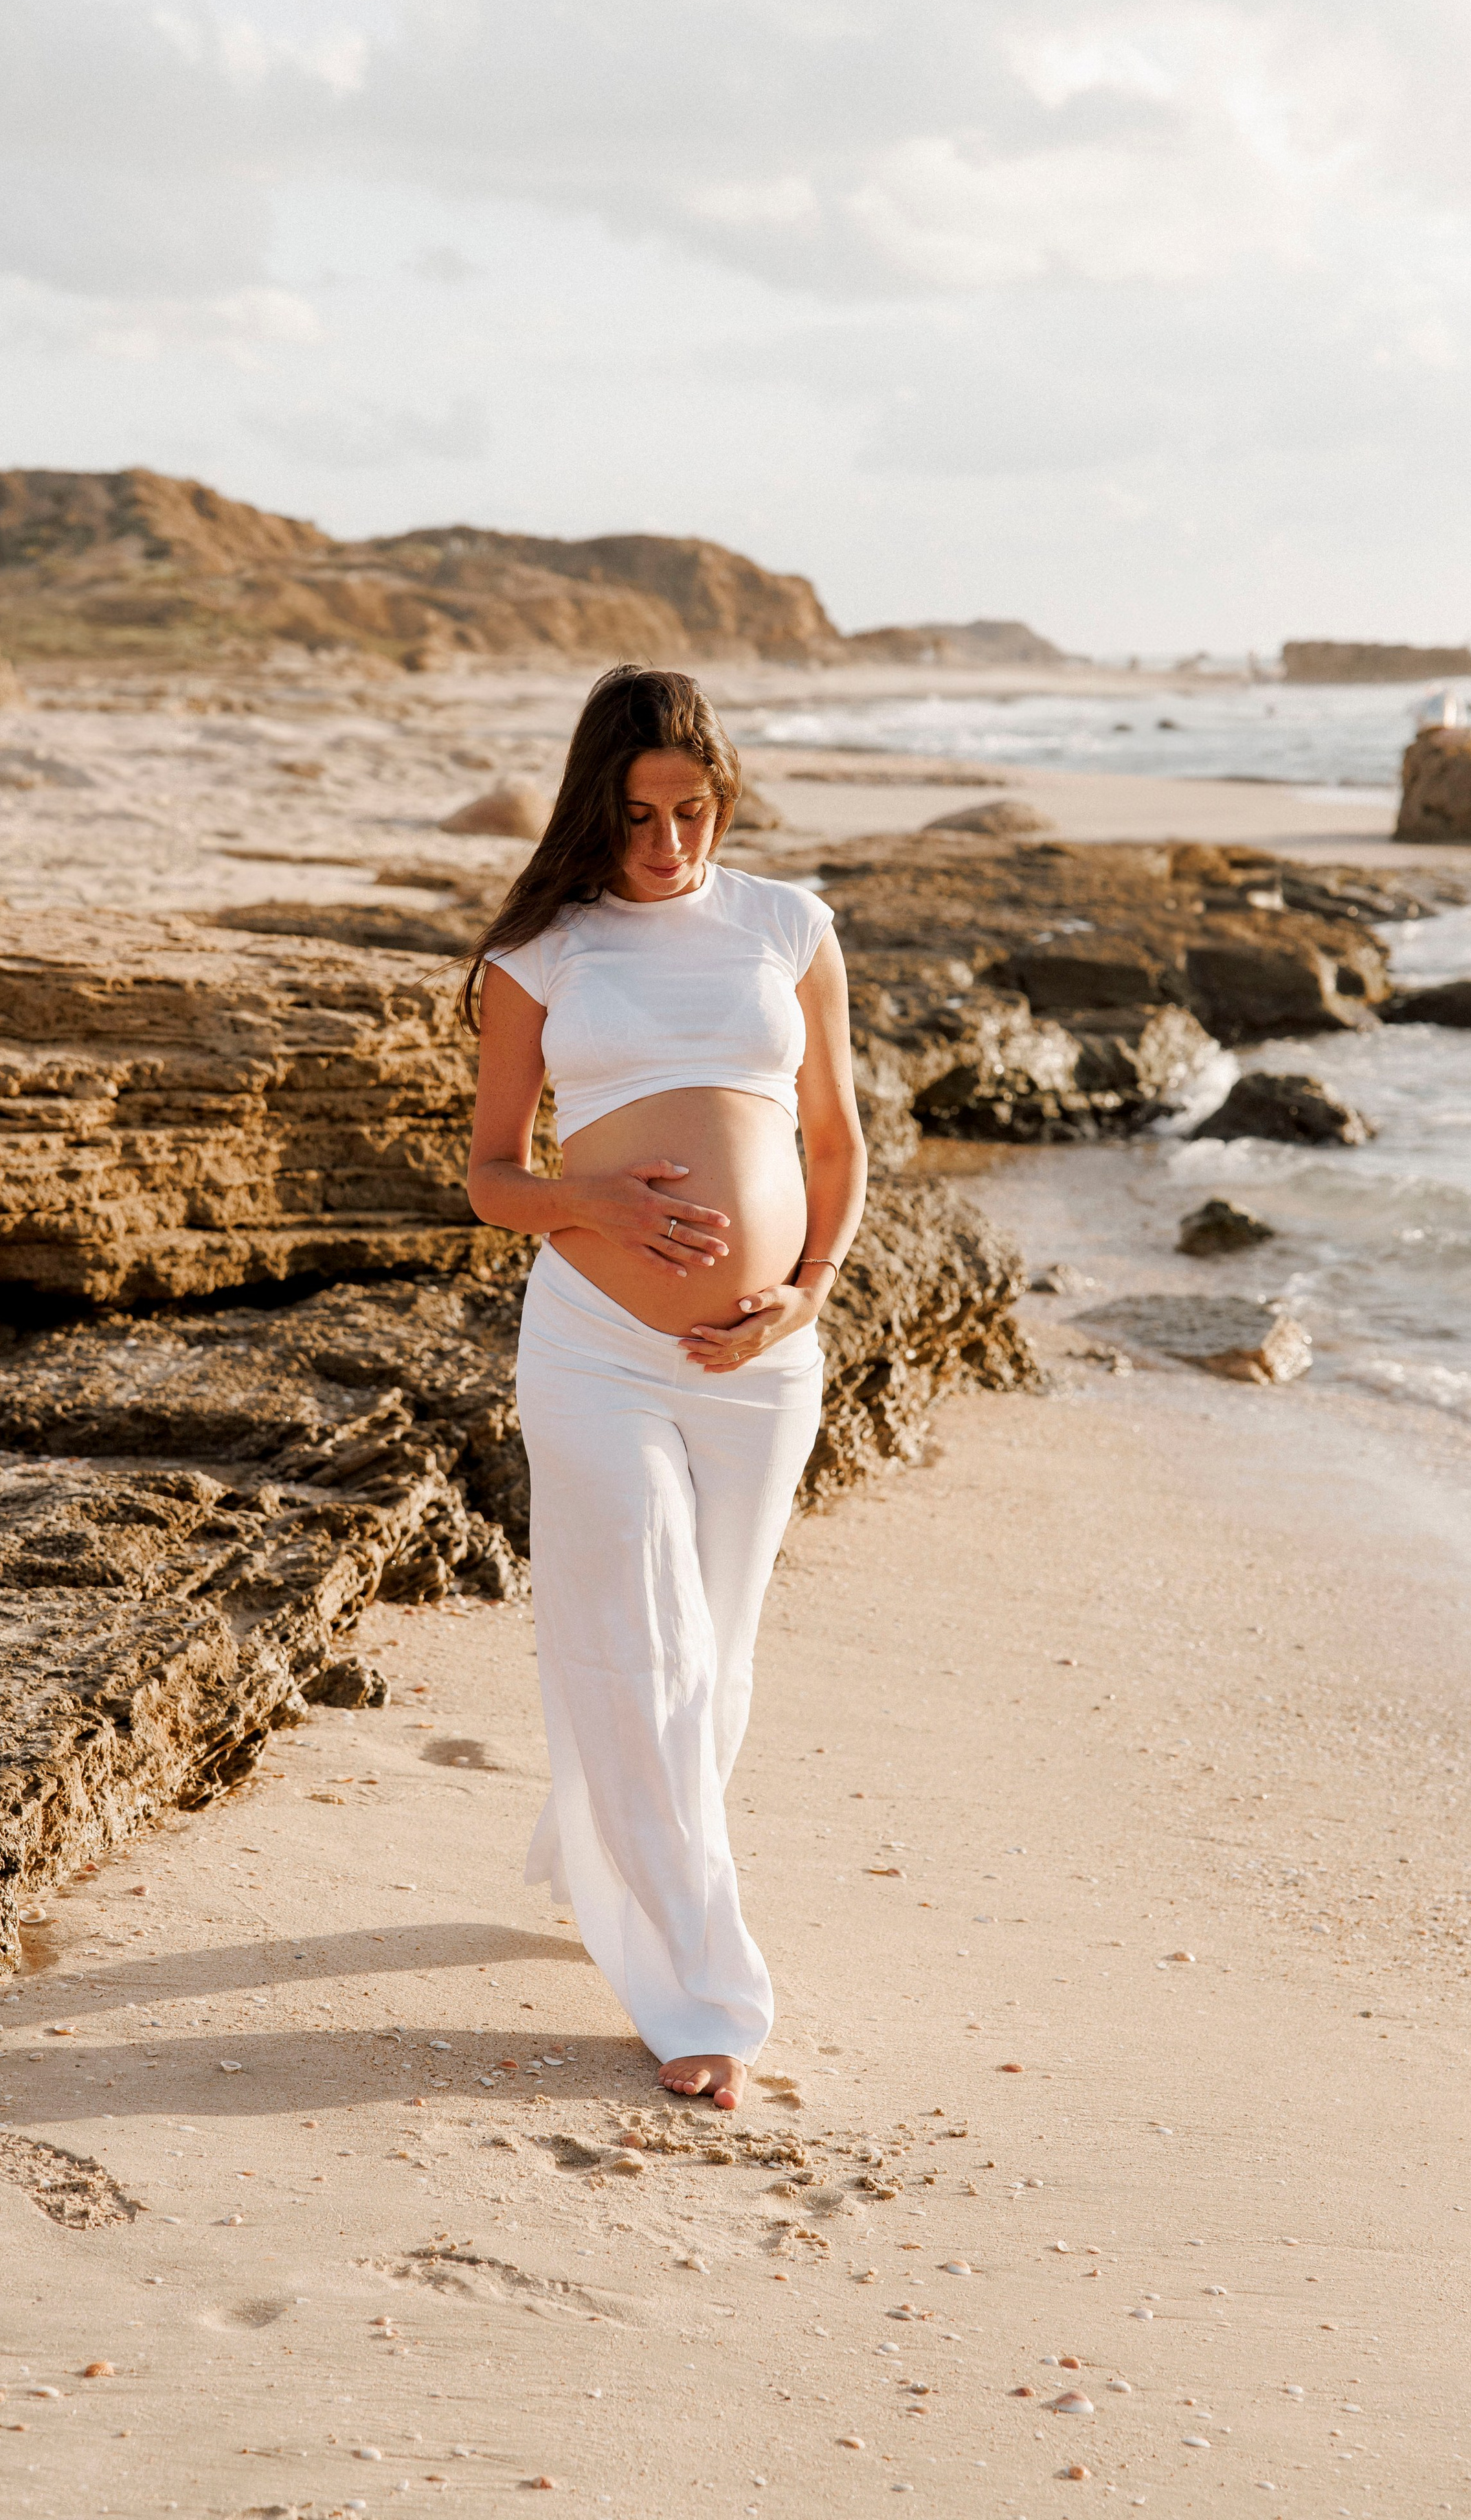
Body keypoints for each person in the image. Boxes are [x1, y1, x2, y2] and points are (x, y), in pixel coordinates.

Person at [462, 664, 867, 2111]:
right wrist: (602, 1208)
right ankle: (699, 1989)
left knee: (717, 1664)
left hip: (761, 1363)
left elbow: (831, 1145)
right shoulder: (545, 950)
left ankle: (600, 1842)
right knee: (641, 1648)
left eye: (690, 812)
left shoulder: (785, 927)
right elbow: (490, 1174)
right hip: (592, 1343)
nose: (667, 846)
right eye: (636, 818)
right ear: (594, 809)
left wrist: (802, 1297)